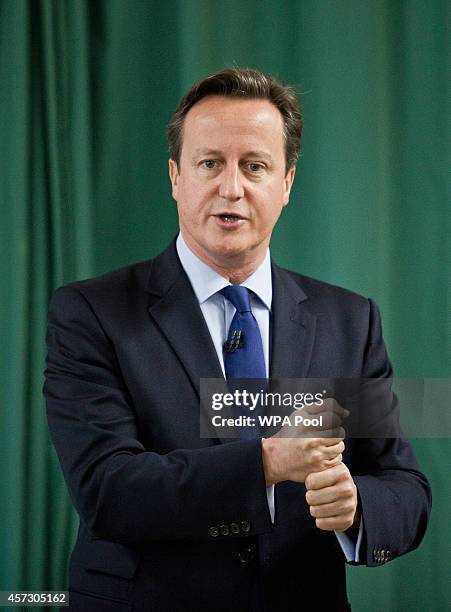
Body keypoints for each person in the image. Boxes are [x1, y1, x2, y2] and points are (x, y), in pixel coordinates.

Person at [44, 67, 431, 612]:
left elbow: (404, 485)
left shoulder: (350, 320)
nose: (232, 188)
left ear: (287, 183)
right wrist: (268, 462)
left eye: (254, 166)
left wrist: (357, 507)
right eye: (209, 164)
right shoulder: (90, 313)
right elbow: (107, 489)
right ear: (175, 177)